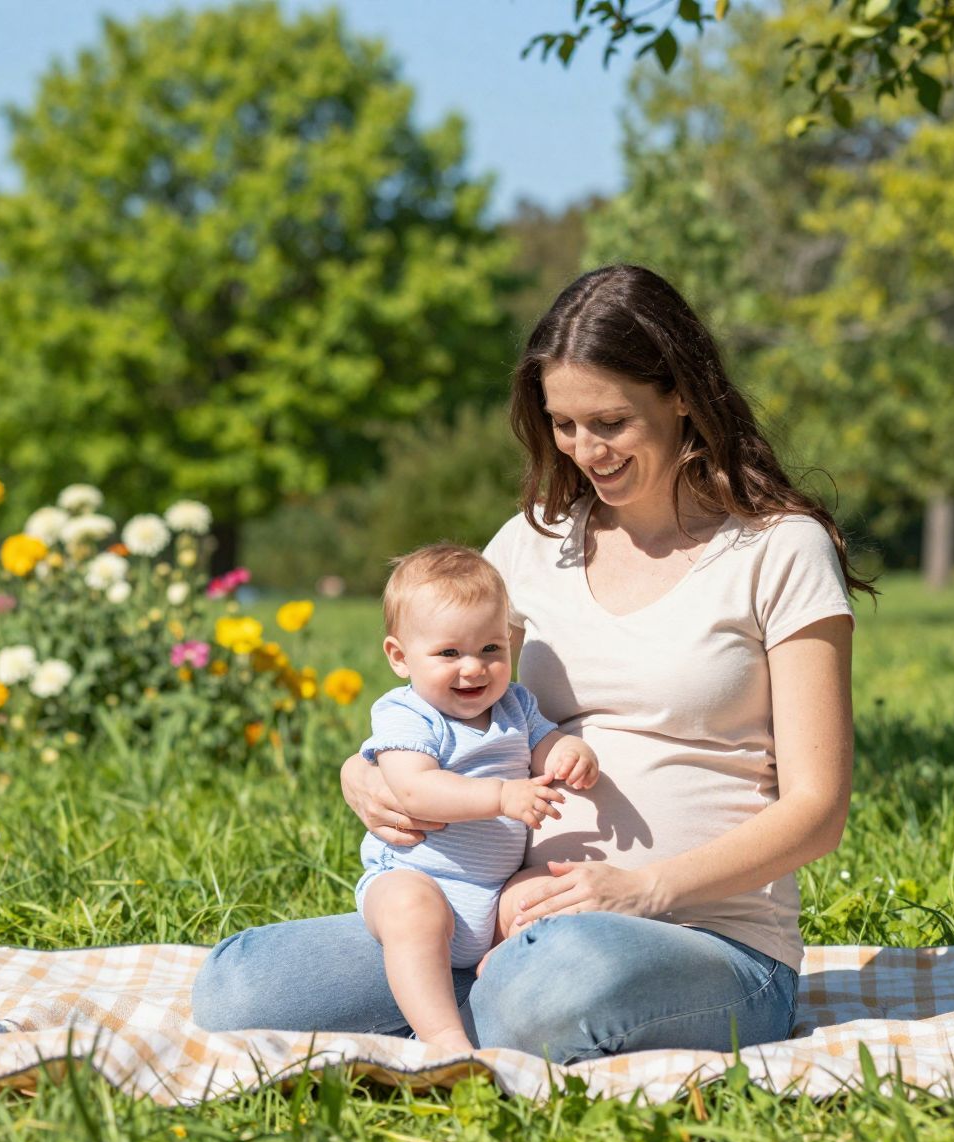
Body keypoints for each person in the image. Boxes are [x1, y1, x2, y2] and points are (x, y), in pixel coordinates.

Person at [193, 264, 870, 1062]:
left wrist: (644, 889)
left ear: (683, 395)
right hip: (493, 919)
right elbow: (438, 683)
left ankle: (465, 1013)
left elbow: (819, 809)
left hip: (707, 940)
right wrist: (363, 772)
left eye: (611, 421)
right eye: (564, 424)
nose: (586, 451)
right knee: (239, 985)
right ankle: (473, 1010)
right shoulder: (531, 542)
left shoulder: (779, 549)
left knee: (558, 977)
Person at [353, 544, 599, 1051]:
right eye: (449, 653)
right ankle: (443, 1037)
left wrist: (567, 751)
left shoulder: (516, 705)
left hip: (496, 892)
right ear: (399, 657)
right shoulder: (406, 714)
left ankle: (499, 971)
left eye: (491, 649)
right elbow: (415, 790)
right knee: (411, 912)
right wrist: (501, 796)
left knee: (550, 893)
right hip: (420, 879)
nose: (474, 668)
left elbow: (542, 743)